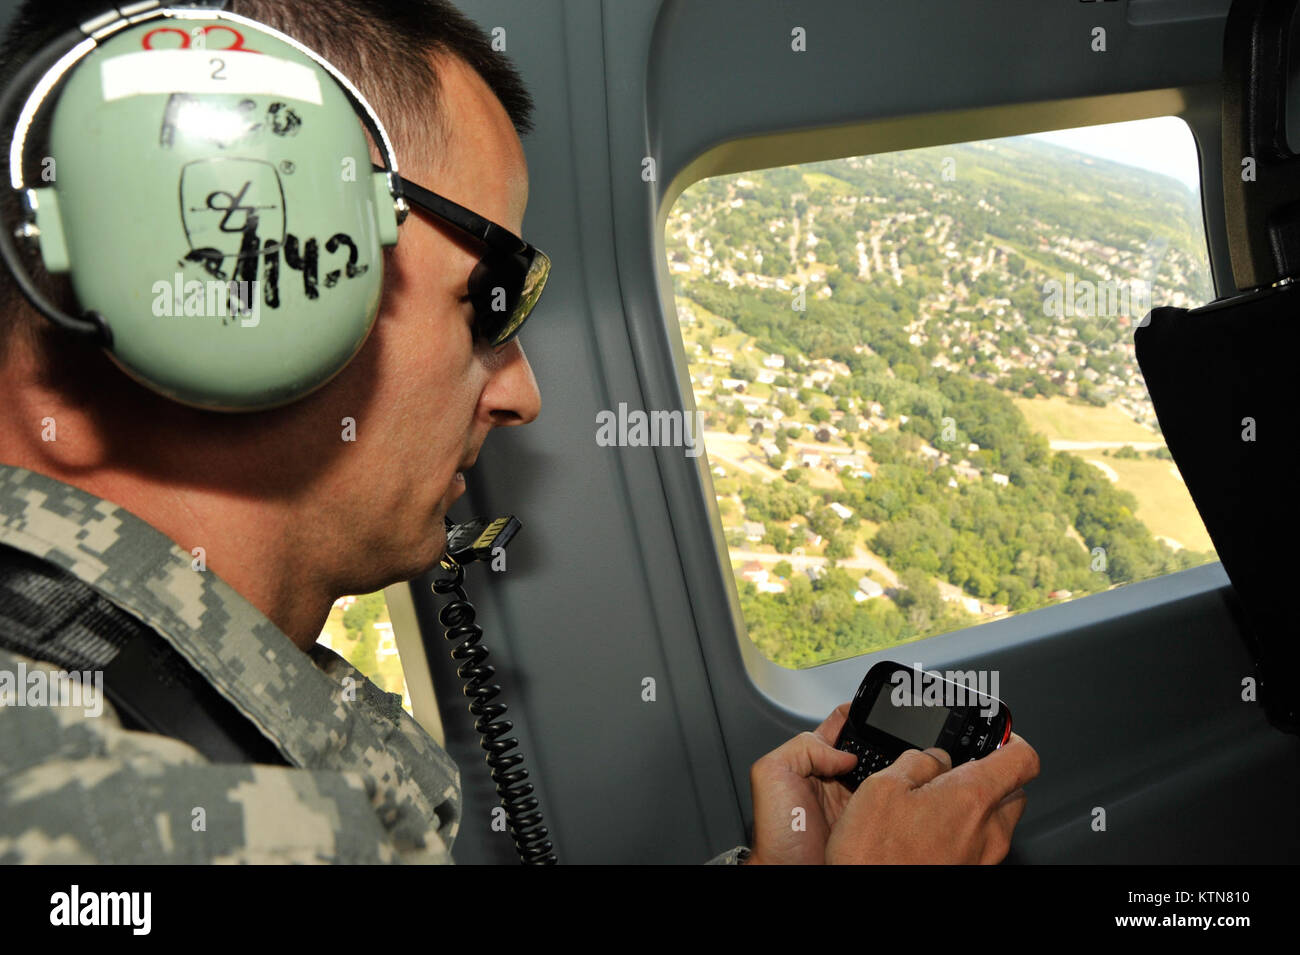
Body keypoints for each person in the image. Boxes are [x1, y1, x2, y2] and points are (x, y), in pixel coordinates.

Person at [0, 0, 1039, 864]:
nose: (521, 394)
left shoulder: (153, 708)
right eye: (491, 298)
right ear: (243, 265)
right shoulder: (128, 817)